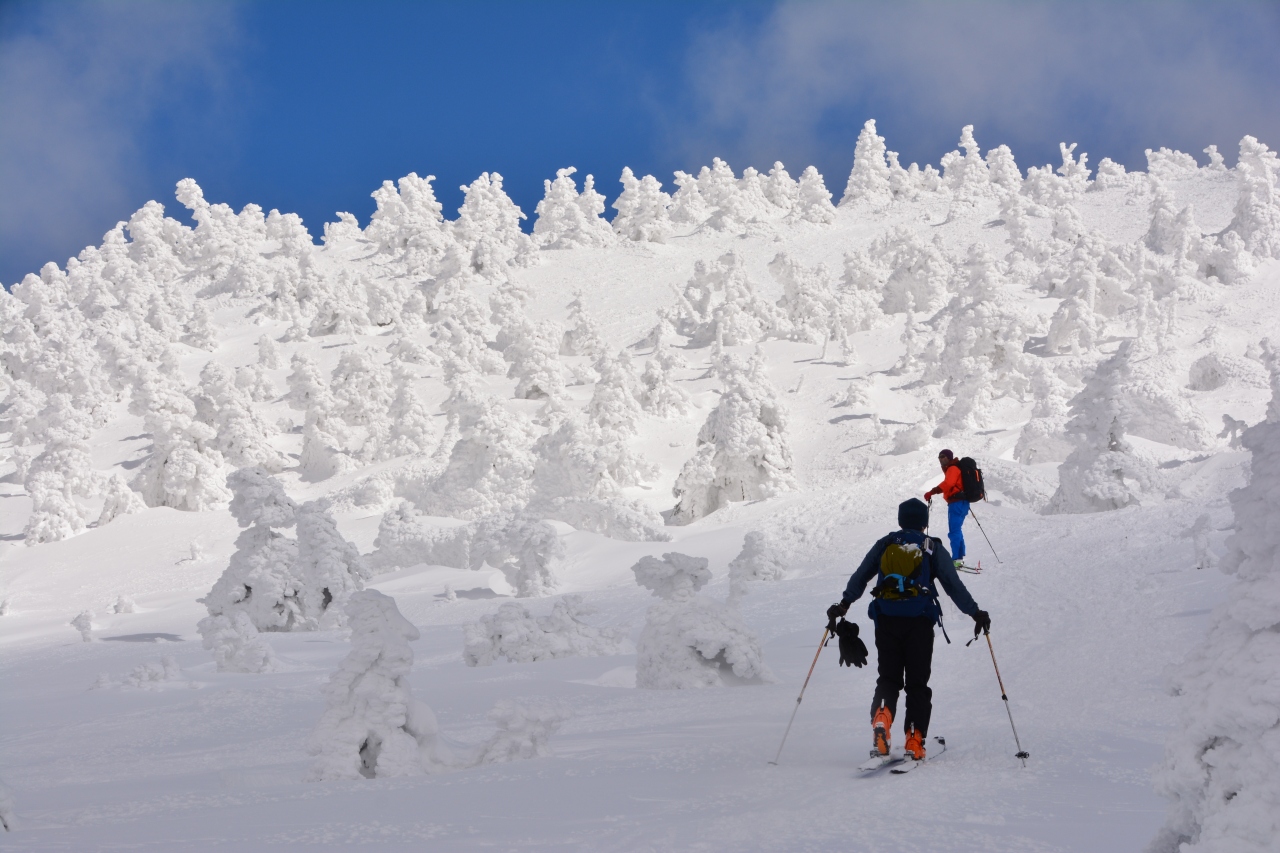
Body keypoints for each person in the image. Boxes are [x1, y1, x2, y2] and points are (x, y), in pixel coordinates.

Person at [826, 497, 989, 763]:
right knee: (917, 684)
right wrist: (975, 612)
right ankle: (914, 739)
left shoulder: (886, 543)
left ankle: (882, 718)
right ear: (924, 522)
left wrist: (844, 603)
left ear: (901, 520)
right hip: (920, 622)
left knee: (888, 679)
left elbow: (861, 575)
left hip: (886, 619)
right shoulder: (932, 546)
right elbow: (952, 584)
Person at [924, 448, 969, 569]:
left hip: (956, 503)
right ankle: (959, 558)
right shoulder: (954, 468)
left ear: (949, 457)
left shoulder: (952, 468)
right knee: (957, 530)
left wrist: (932, 492)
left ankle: (956, 560)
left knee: (954, 531)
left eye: (943, 456)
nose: (940, 459)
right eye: (939, 457)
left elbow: (948, 484)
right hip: (962, 502)